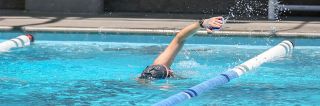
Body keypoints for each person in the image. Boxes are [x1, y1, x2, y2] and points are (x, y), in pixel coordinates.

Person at [138, 17, 224, 80]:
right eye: (169, 74)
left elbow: (179, 38)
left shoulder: (155, 68)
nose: (171, 71)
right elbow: (179, 39)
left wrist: (202, 23)